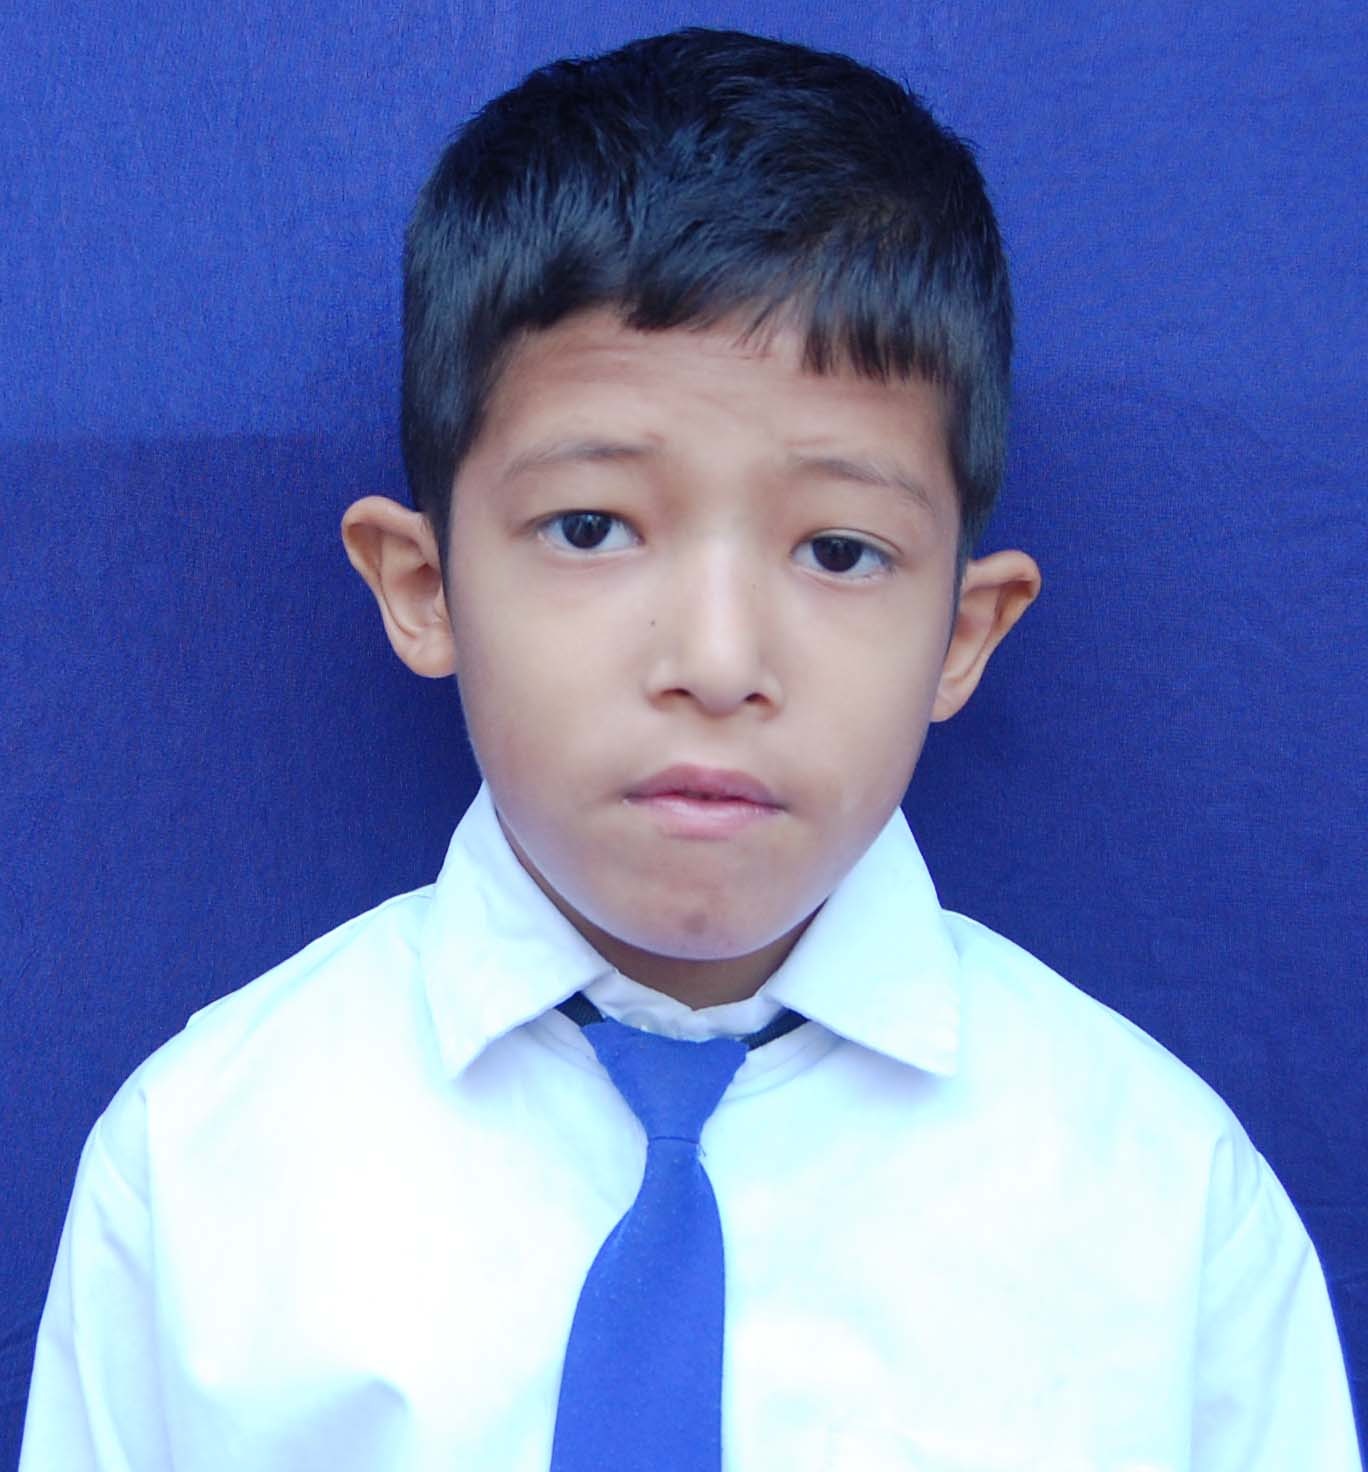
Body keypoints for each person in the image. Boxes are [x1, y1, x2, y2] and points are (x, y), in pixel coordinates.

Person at [19, 27, 1360, 1472]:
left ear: (964, 635)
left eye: (839, 550)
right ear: (424, 586)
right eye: (591, 527)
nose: (718, 662)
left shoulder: (1165, 1213)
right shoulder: (200, 1172)